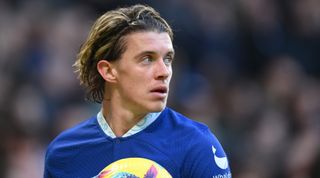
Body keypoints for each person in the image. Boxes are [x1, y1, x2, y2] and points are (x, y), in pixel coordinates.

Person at [44, 4, 232, 178]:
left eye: (167, 59)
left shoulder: (197, 146)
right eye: (147, 59)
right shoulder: (63, 153)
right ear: (109, 71)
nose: (164, 72)